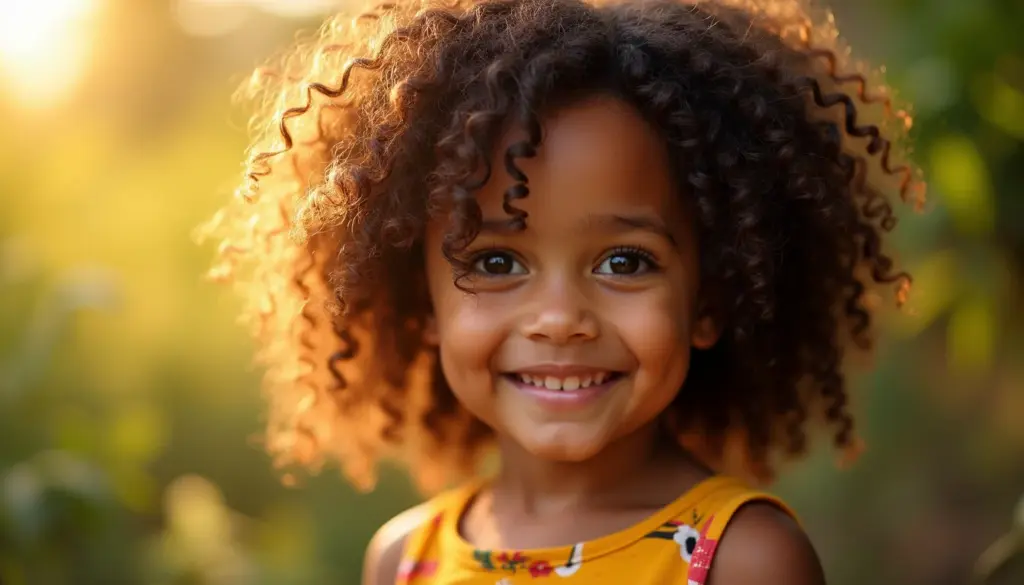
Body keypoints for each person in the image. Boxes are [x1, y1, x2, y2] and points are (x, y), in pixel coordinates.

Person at [203, 0, 924, 583]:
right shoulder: (404, 558)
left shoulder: (742, 559)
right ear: (423, 303)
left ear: (709, 299)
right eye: (493, 263)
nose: (560, 318)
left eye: (622, 262)